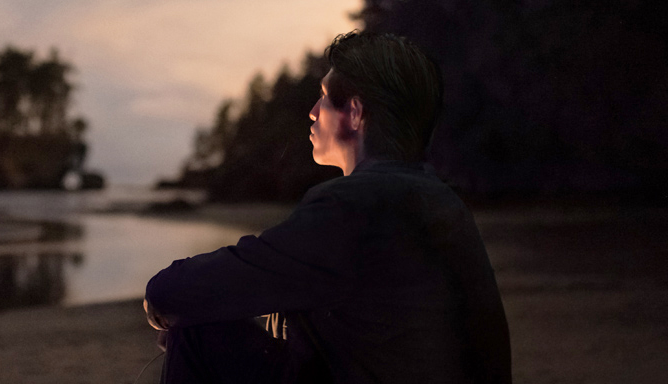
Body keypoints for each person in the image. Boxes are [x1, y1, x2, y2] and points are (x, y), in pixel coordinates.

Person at [143, 31, 511, 384]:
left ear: (354, 113)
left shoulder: (356, 205)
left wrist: (179, 312)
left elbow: (169, 292)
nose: (312, 111)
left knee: (195, 333)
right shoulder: (440, 201)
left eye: (322, 97)